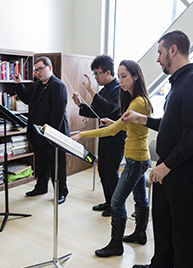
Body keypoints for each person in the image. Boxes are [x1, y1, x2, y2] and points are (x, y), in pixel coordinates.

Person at [121, 30, 193, 268]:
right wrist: (143, 119)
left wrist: (167, 165)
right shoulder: (179, 83)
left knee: (183, 228)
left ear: (173, 50)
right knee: (162, 220)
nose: (158, 59)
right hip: (169, 167)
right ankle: (161, 267)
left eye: (160, 53)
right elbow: (173, 126)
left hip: (186, 170)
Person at [72, 60, 152, 257]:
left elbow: (112, 130)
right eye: (120, 75)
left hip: (136, 160)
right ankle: (140, 234)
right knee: (140, 197)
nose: (121, 81)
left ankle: (116, 245)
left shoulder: (137, 102)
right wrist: (115, 121)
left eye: (124, 76)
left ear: (135, 76)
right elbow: (124, 125)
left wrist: (82, 135)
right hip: (139, 158)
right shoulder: (136, 100)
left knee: (117, 202)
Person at [72, 54, 125, 217]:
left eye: (97, 73)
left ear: (108, 72)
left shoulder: (118, 89)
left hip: (116, 138)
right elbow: (97, 112)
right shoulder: (104, 90)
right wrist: (81, 104)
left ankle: (116, 206)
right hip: (104, 136)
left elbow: (110, 109)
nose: (95, 77)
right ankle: (109, 201)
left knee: (111, 172)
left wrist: (91, 91)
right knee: (102, 170)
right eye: (94, 74)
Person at [14, 56, 69, 204]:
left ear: (49, 68)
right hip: (37, 133)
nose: (38, 72)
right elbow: (27, 99)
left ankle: (61, 192)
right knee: (41, 162)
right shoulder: (37, 85)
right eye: (36, 70)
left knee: (56, 165)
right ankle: (41, 187)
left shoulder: (58, 86)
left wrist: (49, 134)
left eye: (40, 69)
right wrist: (19, 84)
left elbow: (57, 113)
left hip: (53, 134)